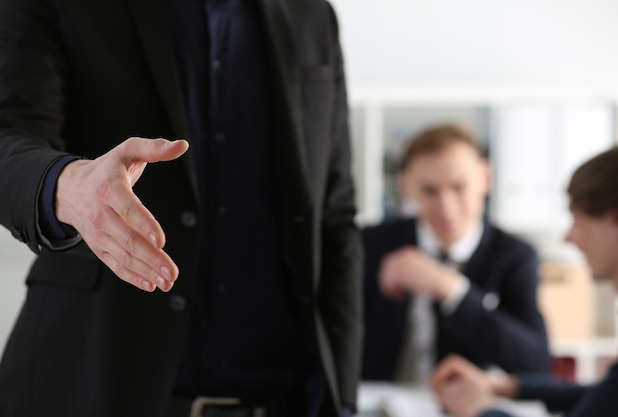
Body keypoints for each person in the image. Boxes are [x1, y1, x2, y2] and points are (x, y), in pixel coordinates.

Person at [0, 1, 363, 417]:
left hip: (289, 400)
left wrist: (344, 397)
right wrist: (67, 184)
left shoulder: (311, 13)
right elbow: (9, 134)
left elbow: (336, 219)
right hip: (92, 388)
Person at [431, 145, 618, 417]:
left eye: (578, 221)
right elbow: (610, 395)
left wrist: (480, 410)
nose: (568, 237)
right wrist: (501, 387)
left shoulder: (515, 255)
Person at [361, 124, 550, 384]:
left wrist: (453, 291)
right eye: (429, 190)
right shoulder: (370, 246)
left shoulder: (515, 257)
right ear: (406, 186)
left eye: (459, 187)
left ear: (485, 178)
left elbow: (536, 362)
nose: (446, 207)